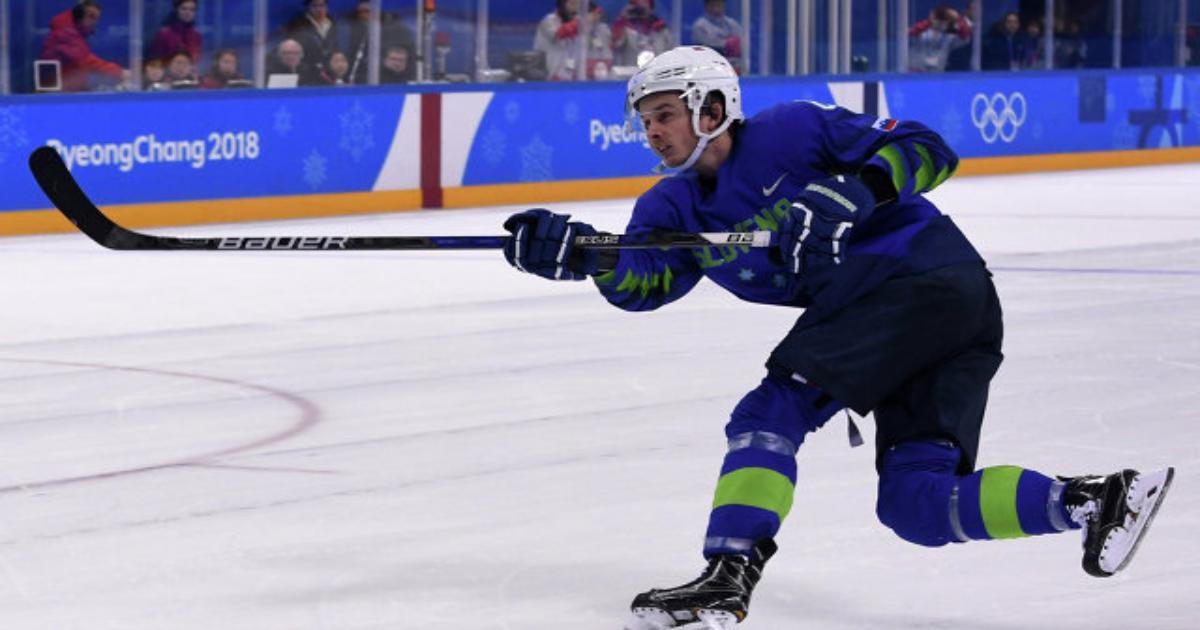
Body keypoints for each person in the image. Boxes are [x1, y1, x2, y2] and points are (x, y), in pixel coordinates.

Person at [498, 46, 1175, 628]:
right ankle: (1094, 500)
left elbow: (926, 148)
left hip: (918, 276)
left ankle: (727, 576)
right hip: (924, 314)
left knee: (772, 411)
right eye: (645, 121)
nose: (653, 132)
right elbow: (646, 283)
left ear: (712, 108)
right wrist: (588, 256)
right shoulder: (669, 208)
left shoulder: (792, 130)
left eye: (665, 114)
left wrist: (860, 189)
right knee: (916, 505)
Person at [39, 1, 130, 92]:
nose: (95, 22)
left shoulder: (69, 32)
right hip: (54, 90)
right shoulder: (64, 33)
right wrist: (119, 72)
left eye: (96, 18)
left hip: (62, 83)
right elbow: (86, 63)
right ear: (78, 17)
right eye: (91, 17)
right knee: (106, 81)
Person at [343, 0, 416, 85]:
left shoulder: (398, 30)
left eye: (368, 11)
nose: (365, 15)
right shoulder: (349, 30)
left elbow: (410, 59)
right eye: (362, 12)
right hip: (363, 81)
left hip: (393, 80)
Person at [908, 4, 971, 72]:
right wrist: (930, 22)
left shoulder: (950, 36)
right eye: (938, 17)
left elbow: (965, 36)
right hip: (916, 71)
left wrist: (957, 17)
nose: (940, 21)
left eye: (945, 18)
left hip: (937, 73)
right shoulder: (922, 30)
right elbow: (910, 33)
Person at [284, 0, 338, 81]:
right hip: (308, 71)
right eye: (315, 6)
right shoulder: (298, 25)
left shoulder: (333, 23)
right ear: (308, 7)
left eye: (322, 5)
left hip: (330, 70)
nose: (319, 9)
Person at [612, 0, 673, 67]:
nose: (640, 8)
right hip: (631, 70)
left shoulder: (660, 28)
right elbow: (615, 44)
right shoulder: (625, 27)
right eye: (637, 4)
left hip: (657, 70)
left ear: (650, 8)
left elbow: (670, 52)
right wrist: (622, 18)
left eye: (644, 3)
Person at [534, 0, 583, 81]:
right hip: (547, 77)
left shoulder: (575, 22)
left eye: (577, 5)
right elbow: (557, 34)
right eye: (572, 4)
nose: (575, 8)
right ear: (562, 4)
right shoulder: (549, 20)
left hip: (568, 76)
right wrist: (580, 23)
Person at [690, 0, 744, 73]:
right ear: (706, 6)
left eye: (719, 5)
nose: (716, 9)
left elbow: (740, 45)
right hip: (708, 69)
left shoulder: (732, 24)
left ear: (724, 5)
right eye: (712, 5)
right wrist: (728, 44)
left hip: (733, 68)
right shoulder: (700, 26)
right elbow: (707, 48)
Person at [148, 0, 202, 67]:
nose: (188, 12)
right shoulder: (164, 34)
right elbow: (154, 61)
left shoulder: (196, 36)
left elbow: (196, 61)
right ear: (176, 10)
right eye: (184, 9)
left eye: (192, 9)